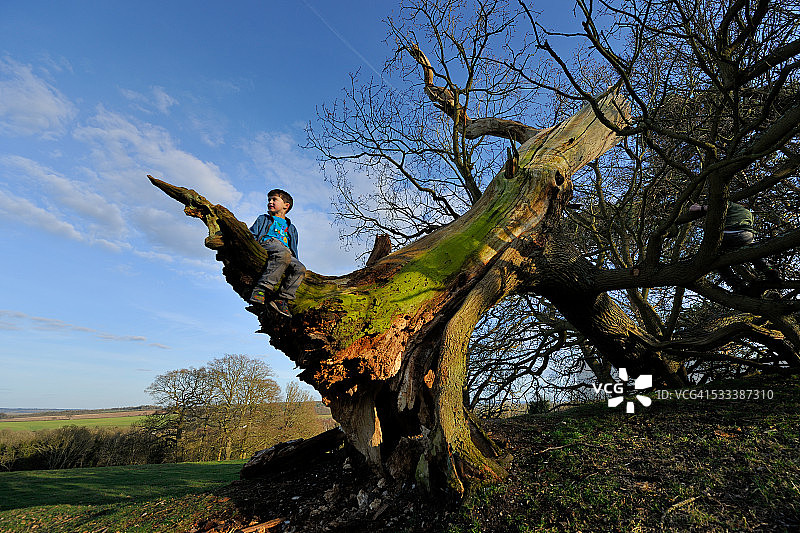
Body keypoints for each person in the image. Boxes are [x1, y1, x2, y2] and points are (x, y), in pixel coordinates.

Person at [689, 201, 780, 292]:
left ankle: (737, 285)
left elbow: (717, 207)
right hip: (747, 236)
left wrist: (699, 208)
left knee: (717, 260)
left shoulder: (732, 204)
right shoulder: (749, 214)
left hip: (728, 234)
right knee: (753, 253)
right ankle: (770, 270)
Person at [248, 189, 306, 317]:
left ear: (286, 205)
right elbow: (251, 234)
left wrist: (293, 261)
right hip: (268, 242)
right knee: (283, 252)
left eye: (274, 199)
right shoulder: (263, 218)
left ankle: (282, 299)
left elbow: (293, 247)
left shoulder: (292, 228)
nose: (270, 202)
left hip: (286, 251)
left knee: (300, 268)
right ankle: (261, 289)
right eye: (269, 199)